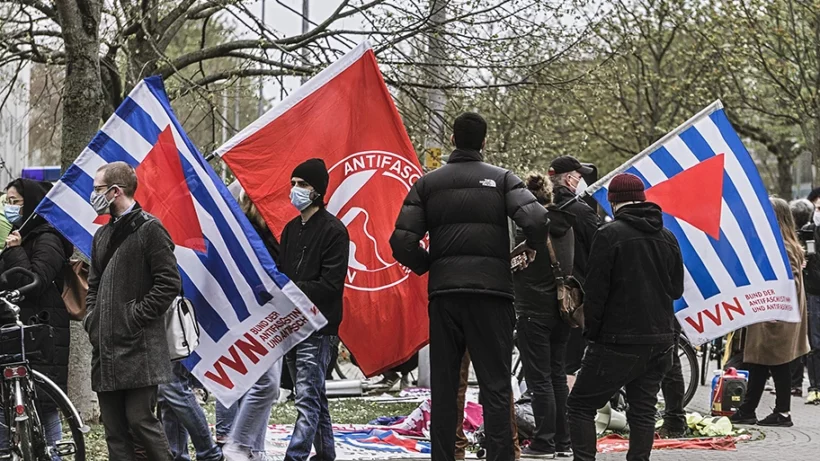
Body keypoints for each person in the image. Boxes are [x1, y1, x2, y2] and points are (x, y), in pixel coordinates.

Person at [391, 112, 549, 461]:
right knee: (495, 386)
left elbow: (400, 242)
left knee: (446, 388)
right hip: (493, 296)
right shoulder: (503, 179)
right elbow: (537, 218)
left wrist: (431, 266)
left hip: (446, 298)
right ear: (484, 142)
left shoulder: (427, 184)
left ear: (452, 141)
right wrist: (530, 247)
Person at [567, 173, 683, 461]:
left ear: (613, 201)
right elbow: (676, 289)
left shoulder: (608, 235)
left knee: (580, 405)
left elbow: (596, 292)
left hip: (616, 341)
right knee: (643, 411)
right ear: (643, 198)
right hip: (659, 340)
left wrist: (591, 333)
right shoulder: (667, 237)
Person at [84, 161, 181, 460]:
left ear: (115, 191)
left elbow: (168, 283)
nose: (92, 194)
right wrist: (93, 319)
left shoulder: (151, 229)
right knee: (114, 430)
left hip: (139, 348)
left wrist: (134, 317)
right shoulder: (101, 235)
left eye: (97, 188)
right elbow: (94, 285)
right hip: (106, 346)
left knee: (141, 421)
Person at [278, 158, 349, 461]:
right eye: (293, 183)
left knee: (306, 398)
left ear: (318, 191)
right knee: (314, 397)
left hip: (319, 328)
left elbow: (331, 284)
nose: (295, 190)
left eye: (303, 184)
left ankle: (294, 456)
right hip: (293, 326)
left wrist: (291, 288)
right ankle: (326, 455)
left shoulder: (335, 231)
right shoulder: (290, 230)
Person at [0, 179, 74, 453]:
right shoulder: (18, 235)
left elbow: (36, 280)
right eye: (6, 201)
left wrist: (16, 250)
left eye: (15, 202)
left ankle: (53, 453)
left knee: (45, 403)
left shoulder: (48, 237)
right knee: (5, 402)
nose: (9, 208)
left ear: (31, 203)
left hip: (42, 331)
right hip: (15, 331)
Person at [730, 198, 810, 427]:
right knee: (759, 361)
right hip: (770, 313)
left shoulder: (782, 246)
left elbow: (792, 280)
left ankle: (782, 412)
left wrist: (778, 305)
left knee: (777, 363)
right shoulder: (782, 243)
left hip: (775, 316)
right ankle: (749, 409)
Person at [513, 173, 575, 458]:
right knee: (558, 377)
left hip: (533, 311)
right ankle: (564, 442)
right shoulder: (567, 225)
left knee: (539, 380)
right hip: (562, 310)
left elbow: (515, 266)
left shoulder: (525, 230)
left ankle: (544, 442)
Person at [220, 190, 283, 461]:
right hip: (251, 312)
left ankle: (249, 448)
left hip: (267, 312)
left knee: (255, 382)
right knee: (263, 383)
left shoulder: (271, 230)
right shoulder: (246, 230)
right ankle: (238, 444)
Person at [548, 156, 599, 375]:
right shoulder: (582, 212)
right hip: (576, 296)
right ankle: (568, 409)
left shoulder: (539, 207)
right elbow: (599, 250)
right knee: (571, 363)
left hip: (544, 292)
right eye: (578, 177)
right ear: (569, 180)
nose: (580, 182)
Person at [158, 364, 224, 461]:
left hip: (171, 351)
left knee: (171, 386)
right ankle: (179, 457)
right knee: (169, 398)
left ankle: (210, 454)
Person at [799, 191, 820, 404]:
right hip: (814, 292)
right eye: (816, 208)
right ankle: (815, 386)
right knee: (815, 342)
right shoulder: (808, 232)